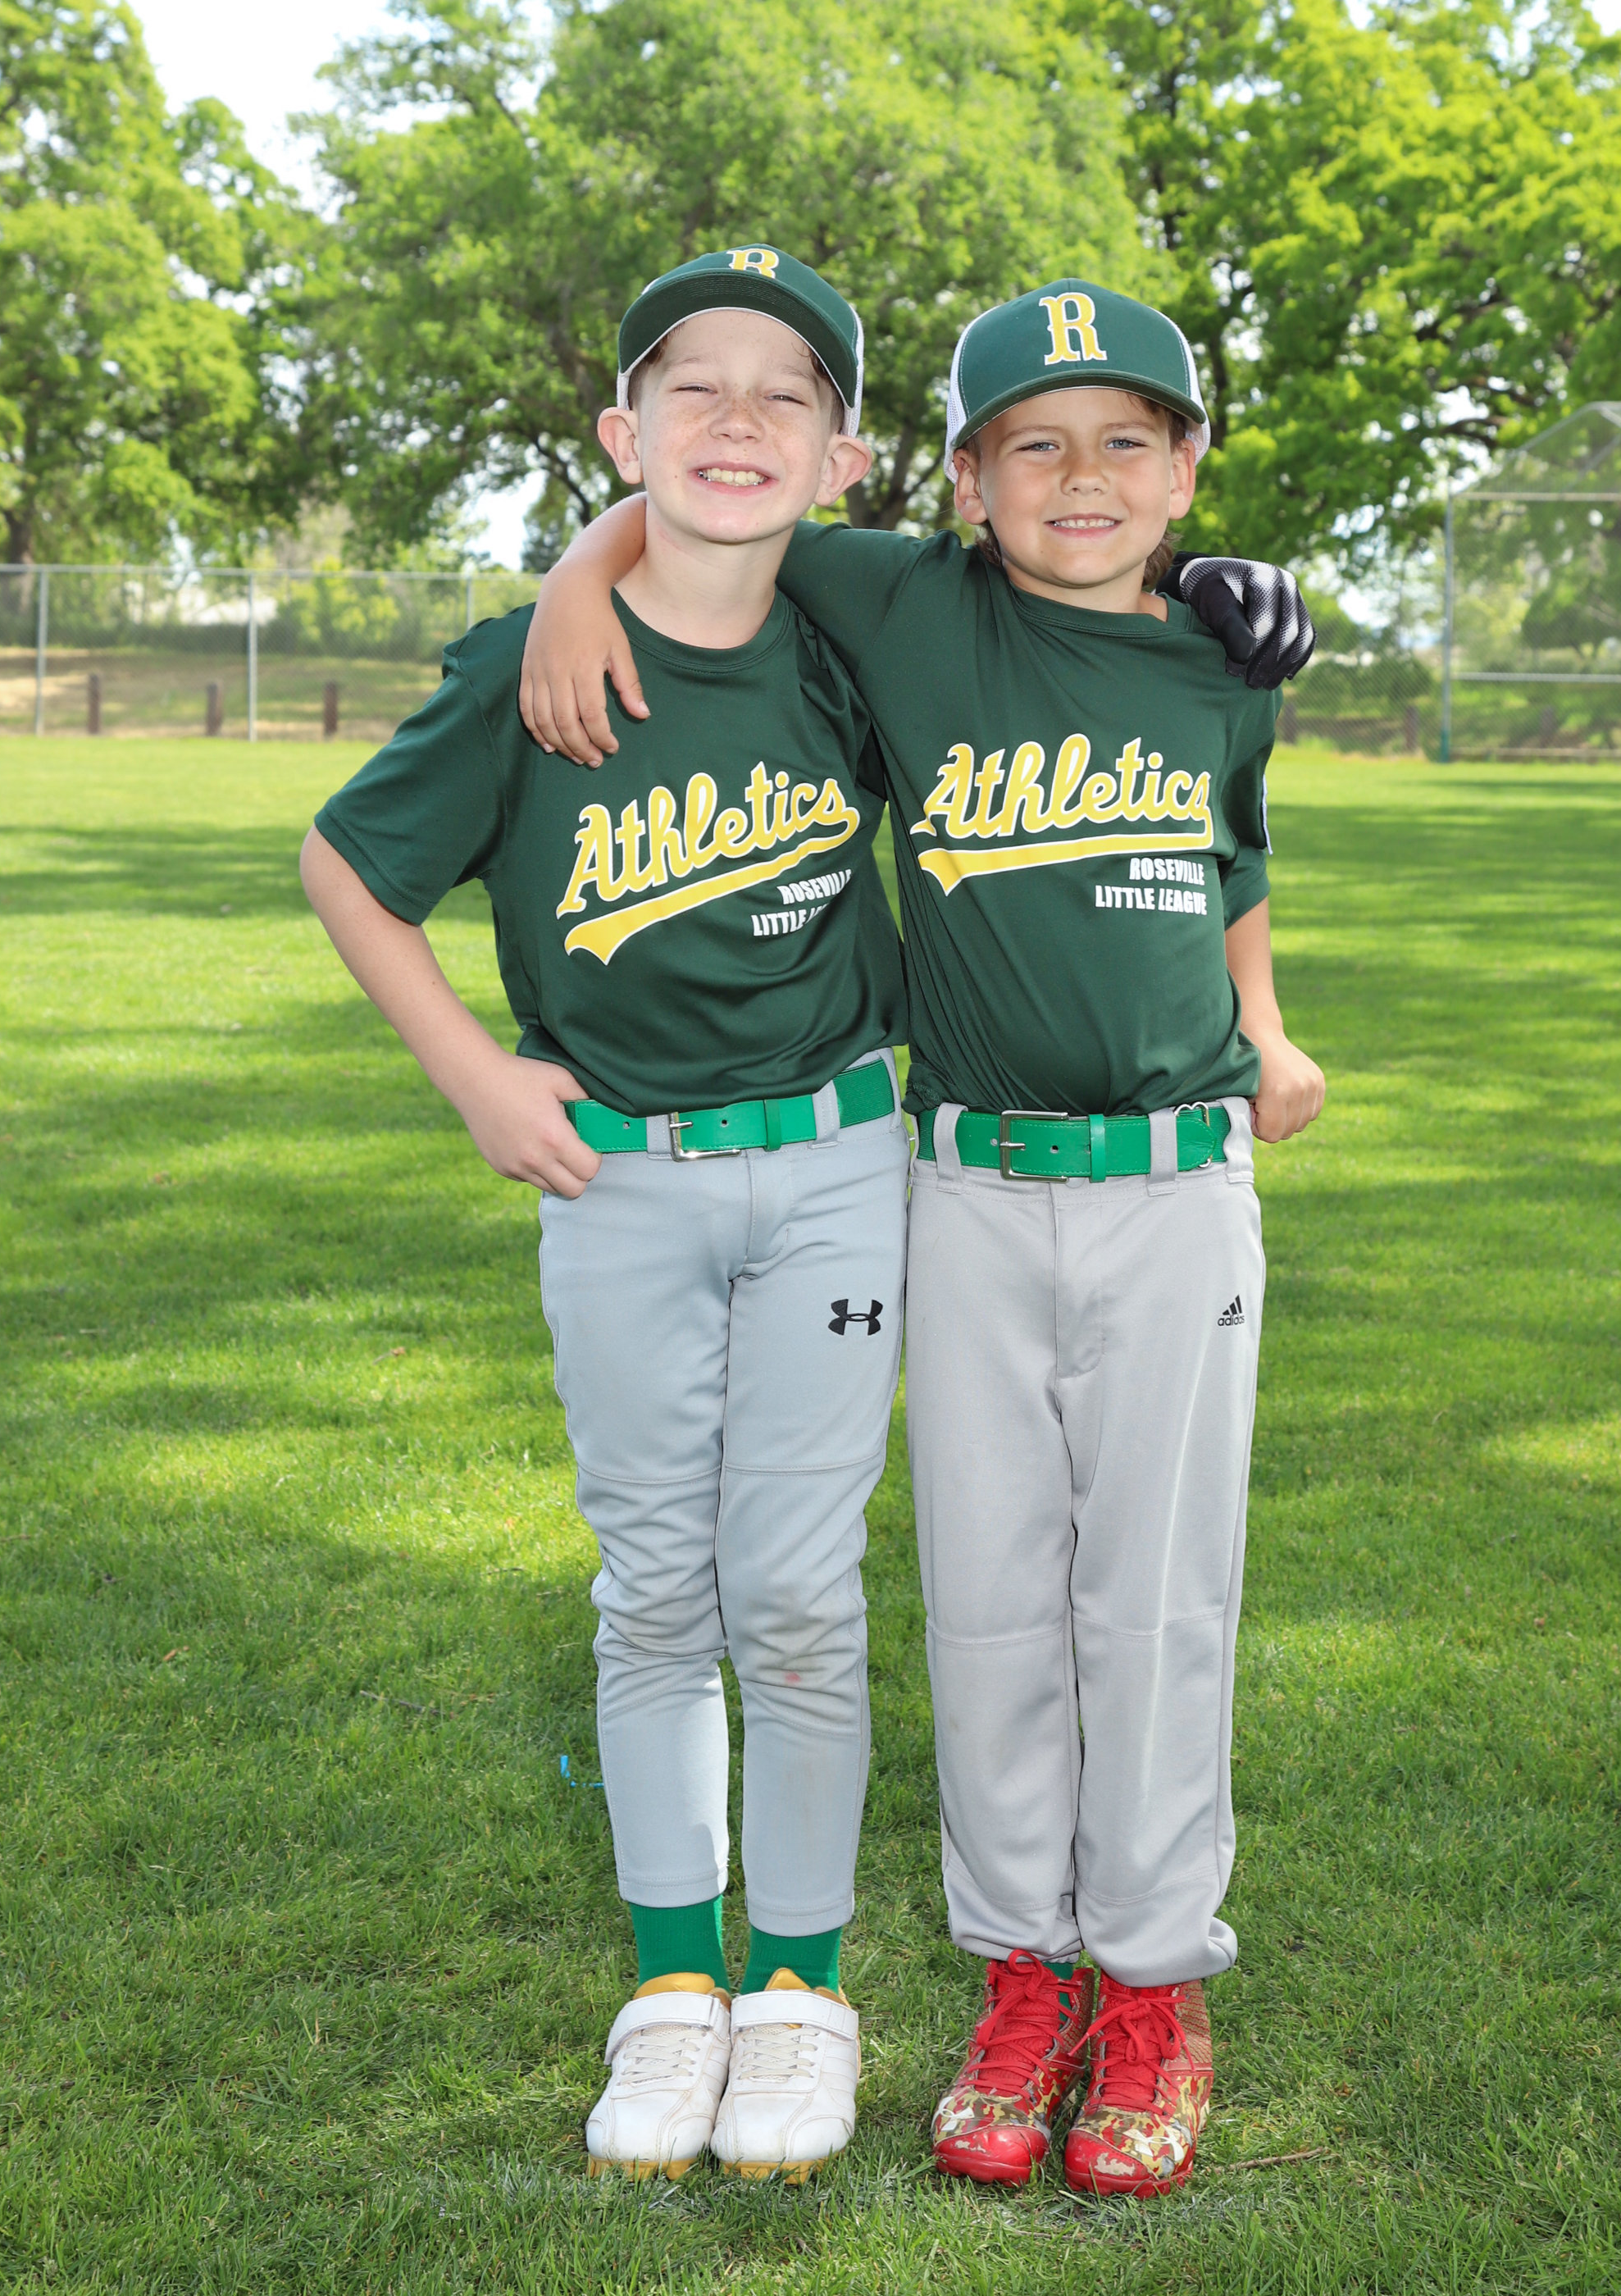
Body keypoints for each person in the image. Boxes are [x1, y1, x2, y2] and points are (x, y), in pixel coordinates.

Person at [512, 276, 1326, 2197]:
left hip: (1177, 1186)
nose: (1079, 476)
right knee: (988, 1601)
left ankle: (1152, 1983)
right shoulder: (901, 606)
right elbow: (713, 493)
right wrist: (568, 579)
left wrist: (1268, 1024)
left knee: (1156, 1601)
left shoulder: (1222, 657)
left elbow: (1228, 860)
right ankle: (1021, 1977)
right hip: (957, 1187)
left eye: (1126, 439)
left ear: (1186, 467)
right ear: (962, 479)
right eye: (1031, 442)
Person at [300, 247, 914, 2185]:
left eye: (787, 392)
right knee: (654, 1581)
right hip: (617, 1173)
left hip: (839, 1165)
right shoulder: (532, 659)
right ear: (619, 428)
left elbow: (1049, 605)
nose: (739, 417)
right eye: (692, 384)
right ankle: (671, 1977)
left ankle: (797, 1982)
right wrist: (475, 1076)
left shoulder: (856, 634)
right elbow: (347, 861)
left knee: (796, 1586)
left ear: (843, 456)